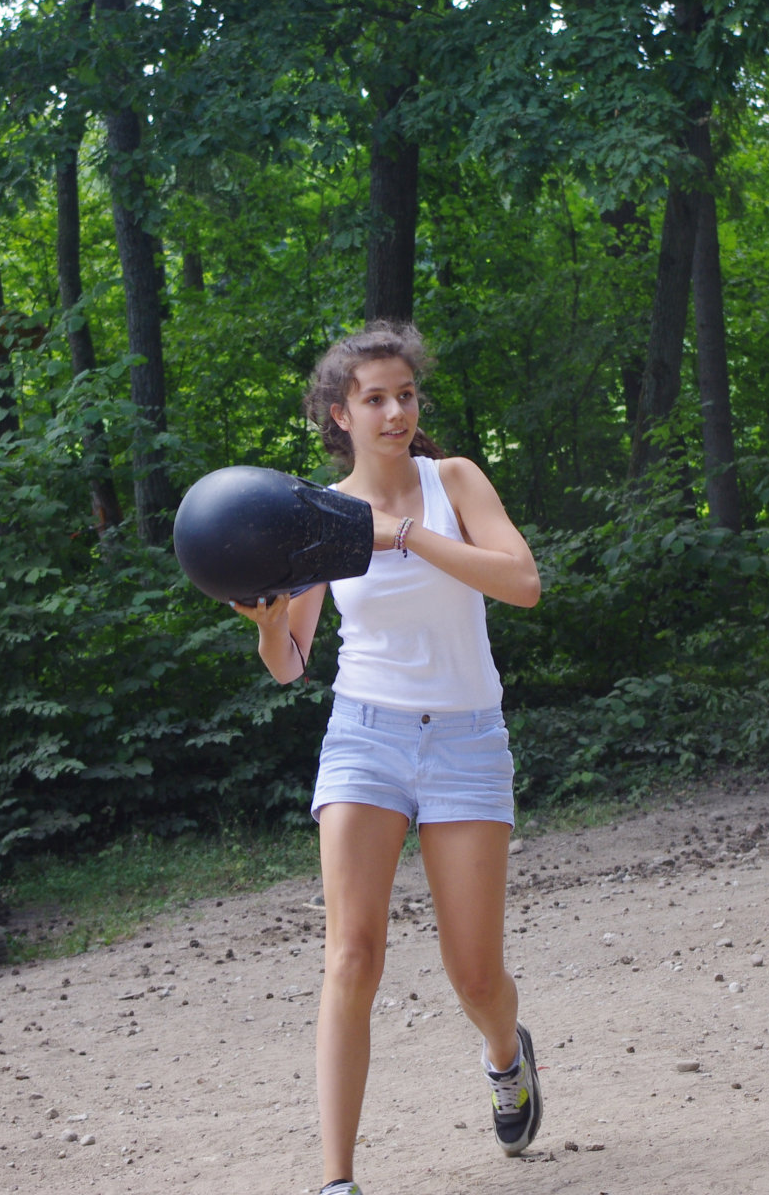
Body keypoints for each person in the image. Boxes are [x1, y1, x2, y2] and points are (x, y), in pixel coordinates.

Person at [230, 322, 544, 1195]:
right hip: (364, 737)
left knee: (474, 974)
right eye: (375, 399)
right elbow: (291, 663)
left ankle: (505, 1053)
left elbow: (522, 584)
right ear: (341, 413)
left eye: (405, 395)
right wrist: (269, 627)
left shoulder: (455, 482)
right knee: (351, 955)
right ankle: (337, 1181)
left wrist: (403, 535)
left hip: (466, 739)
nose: (395, 412)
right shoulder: (318, 519)